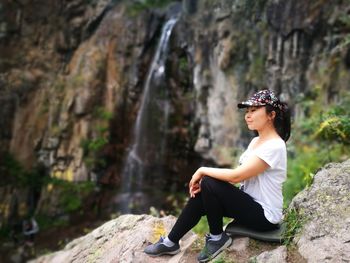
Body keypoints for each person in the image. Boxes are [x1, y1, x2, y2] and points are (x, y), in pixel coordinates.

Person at [144, 89, 291, 262]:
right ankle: (171, 242)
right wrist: (213, 193)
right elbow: (242, 179)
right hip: (250, 204)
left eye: (254, 110)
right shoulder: (255, 142)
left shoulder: (275, 146)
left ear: (271, 115)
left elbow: (236, 176)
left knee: (209, 182)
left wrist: (202, 171)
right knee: (204, 192)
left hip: (265, 216)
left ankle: (216, 237)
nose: (248, 116)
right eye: (247, 112)